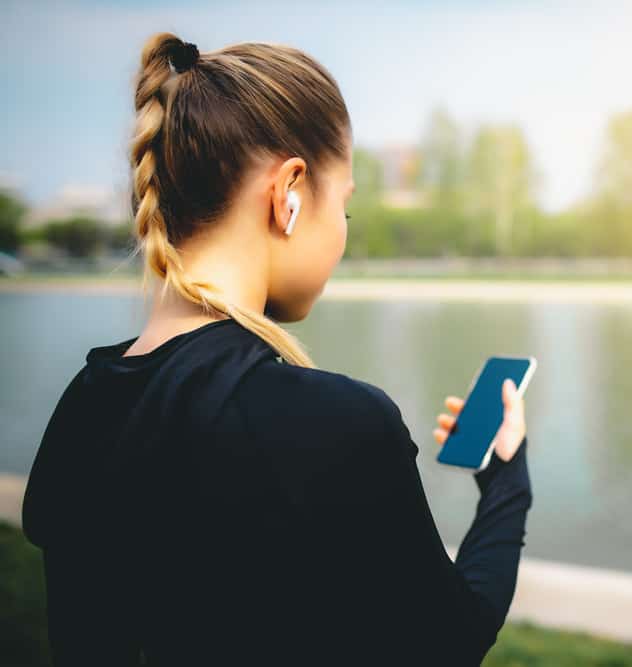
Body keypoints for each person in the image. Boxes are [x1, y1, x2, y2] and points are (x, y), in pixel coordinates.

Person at [20, 33, 532, 666]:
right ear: (289, 191)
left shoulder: (82, 407)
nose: (342, 233)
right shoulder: (338, 423)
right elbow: (449, 642)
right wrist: (509, 480)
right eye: (344, 206)